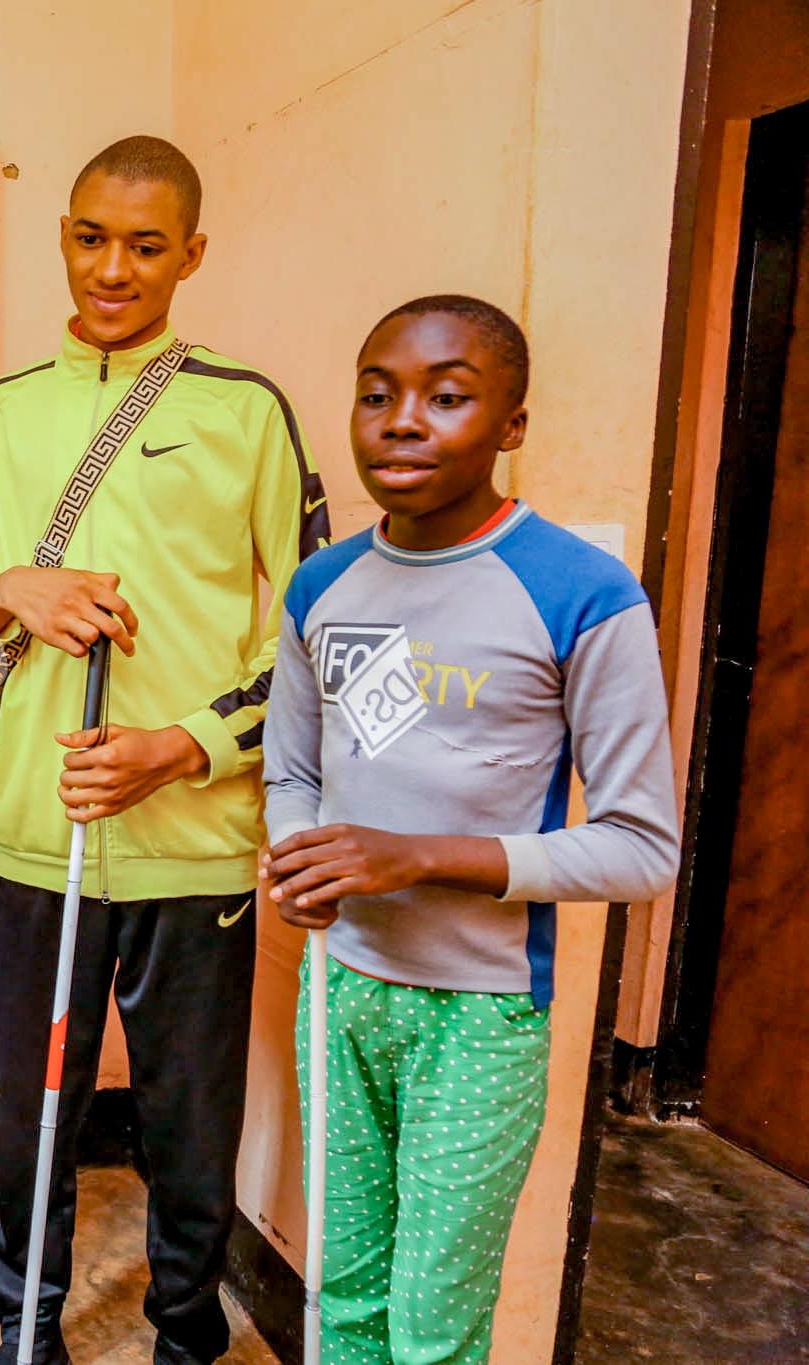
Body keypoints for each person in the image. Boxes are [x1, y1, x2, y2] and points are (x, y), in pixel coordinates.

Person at [0, 135, 331, 1364]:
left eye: (146, 246)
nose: (114, 268)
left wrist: (186, 745)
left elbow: (308, 634)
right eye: (92, 238)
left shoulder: (245, 411)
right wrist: (10, 587)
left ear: (189, 256)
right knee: (31, 1109)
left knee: (187, 1116)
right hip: (41, 843)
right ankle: (25, 1325)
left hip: (194, 846)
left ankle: (180, 1332)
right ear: (62, 236)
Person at [261, 295, 678, 1363]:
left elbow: (640, 847)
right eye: (375, 396)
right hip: (337, 988)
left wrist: (417, 859)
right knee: (342, 1296)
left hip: (480, 1017)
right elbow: (293, 772)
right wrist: (297, 851)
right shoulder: (321, 584)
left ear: (511, 424)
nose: (402, 422)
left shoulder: (580, 593)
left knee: (431, 1323)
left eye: (446, 398)